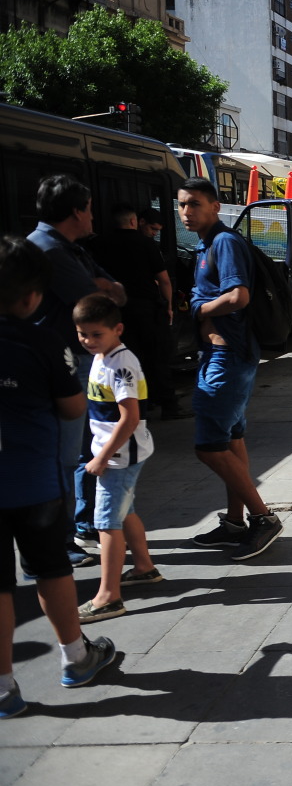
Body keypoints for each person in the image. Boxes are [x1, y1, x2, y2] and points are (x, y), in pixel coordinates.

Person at [0, 237, 119, 719]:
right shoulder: (41, 340)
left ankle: (5, 690)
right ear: (32, 296)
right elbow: (72, 405)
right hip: (35, 481)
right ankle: (76, 657)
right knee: (50, 569)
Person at [179, 178, 284, 561]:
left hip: (228, 357)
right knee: (232, 438)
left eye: (194, 204)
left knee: (209, 447)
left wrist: (198, 311)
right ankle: (235, 523)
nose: (186, 212)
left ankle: (263, 518)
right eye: (182, 205)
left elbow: (239, 296)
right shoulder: (206, 244)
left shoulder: (223, 243)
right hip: (224, 354)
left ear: (214, 206)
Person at [26, 175, 127, 568]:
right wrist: (103, 286)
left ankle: (78, 527)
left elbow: (114, 292)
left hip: (80, 365)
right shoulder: (49, 251)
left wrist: (105, 286)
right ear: (75, 212)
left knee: (84, 450)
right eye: (87, 208)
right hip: (62, 368)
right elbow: (99, 301)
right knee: (64, 456)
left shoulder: (71, 249)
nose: (91, 216)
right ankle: (58, 541)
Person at [71, 295, 162, 623]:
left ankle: (108, 597)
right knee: (124, 513)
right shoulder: (102, 356)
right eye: (82, 334)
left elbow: (129, 417)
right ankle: (144, 567)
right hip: (115, 453)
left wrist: (101, 457)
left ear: (117, 329)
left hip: (119, 456)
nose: (88, 340)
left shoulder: (120, 363)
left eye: (96, 334)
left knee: (106, 522)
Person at [89, 203, 186, 420]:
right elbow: (163, 280)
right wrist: (169, 305)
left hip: (114, 310)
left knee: (125, 357)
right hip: (146, 309)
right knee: (157, 357)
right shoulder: (147, 245)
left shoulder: (100, 243)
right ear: (135, 222)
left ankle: (139, 403)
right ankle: (168, 405)